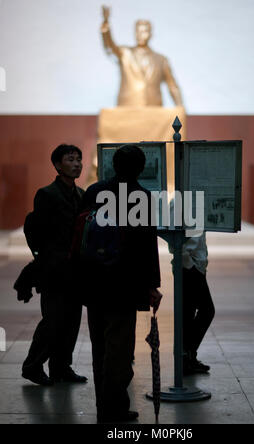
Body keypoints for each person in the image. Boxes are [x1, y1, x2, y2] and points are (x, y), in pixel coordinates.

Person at [80, 144, 162, 423]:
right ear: (141, 168)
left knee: (100, 347)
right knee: (119, 349)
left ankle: (108, 406)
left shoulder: (93, 192)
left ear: (112, 165)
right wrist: (152, 284)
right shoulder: (142, 196)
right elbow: (147, 246)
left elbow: (80, 236)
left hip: (93, 281)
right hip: (124, 284)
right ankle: (111, 410)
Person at [22, 144, 88, 386]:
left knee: (71, 322)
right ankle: (32, 365)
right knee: (53, 321)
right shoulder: (47, 194)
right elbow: (36, 230)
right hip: (54, 270)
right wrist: (43, 259)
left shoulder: (81, 195)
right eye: (71, 159)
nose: (77, 163)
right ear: (58, 165)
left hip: (75, 270)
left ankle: (61, 367)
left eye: (79, 159)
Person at [101, 6, 183, 107]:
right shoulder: (125, 53)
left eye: (143, 32)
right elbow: (110, 47)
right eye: (137, 32)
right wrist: (106, 26)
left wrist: (180, 107)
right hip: (127, 108)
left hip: (154, 109)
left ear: (150, 34)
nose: (140, 35)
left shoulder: (161, 60)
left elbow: (172, 85)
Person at [181, 232, 215, 375]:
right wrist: (189, 265)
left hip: (197, 266)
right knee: (207, 310)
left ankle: (187, 358)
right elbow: (175, 240)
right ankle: (185, 356)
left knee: (189, 313)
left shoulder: (199, 209)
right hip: (190, 268)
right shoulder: (180, 209)